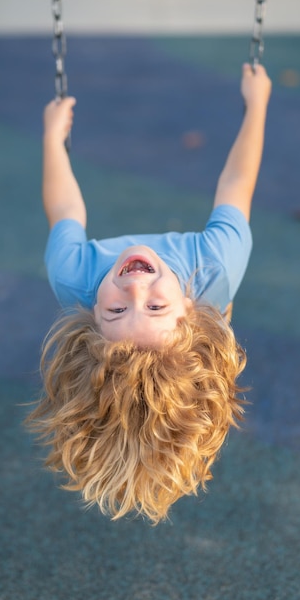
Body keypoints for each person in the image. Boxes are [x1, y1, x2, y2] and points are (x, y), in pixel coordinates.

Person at [27, 63, 272, 525]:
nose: (135, 285)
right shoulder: (213, 264)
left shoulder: (74, 276)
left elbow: (64, 207)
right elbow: (236, 185)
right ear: (188, 310)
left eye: (118, 309)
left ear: (92, 317)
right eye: (155, 306)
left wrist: (51, 139)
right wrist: (257, 103)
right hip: (200, 286)